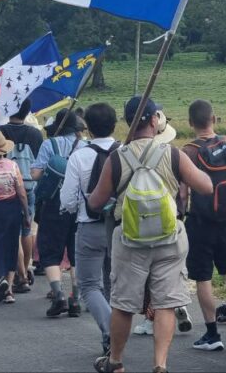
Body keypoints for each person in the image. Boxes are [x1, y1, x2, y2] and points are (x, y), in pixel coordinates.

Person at [87, 96, 213, 373]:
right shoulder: (172, 153)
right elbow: (206, 187)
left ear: (128, 123)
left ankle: (116, 362)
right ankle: (160, 364)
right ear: (155, 120)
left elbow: (95, 202)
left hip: (130, 239)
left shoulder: (116, 157)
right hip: (169, 238)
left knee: (122, 304)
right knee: (166, 303)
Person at [181, 100, 226, 351]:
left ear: (191, 123)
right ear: (214, 119)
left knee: (203, 277)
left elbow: (182, 193)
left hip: (201, 221)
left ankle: (212, 334)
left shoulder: (188, 151)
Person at [58, 102, 118, 355]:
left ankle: (111, 332)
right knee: (112, 283)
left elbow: (68, 200)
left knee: (90, 285)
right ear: (115, 124)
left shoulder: (79, 156)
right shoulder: (124, 152)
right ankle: (119, 331)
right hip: (121, 227)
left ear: (88, 129)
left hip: (90, 226)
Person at [33, 109, 86, 318]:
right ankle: (76, 298)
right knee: (75, 253)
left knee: (50, 250)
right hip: (80, 205)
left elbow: (35, 173)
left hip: (54, 204)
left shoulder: (49, 145)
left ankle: (58, 295)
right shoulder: (86, 146)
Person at [0, 99, 43, 293]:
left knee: (11, 233)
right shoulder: (35, 134)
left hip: (7, 187)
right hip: (30, 185)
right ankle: (26, 269)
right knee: (27, 230)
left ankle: (19, 274)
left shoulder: (0, 132)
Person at [0, 131, 29, 305]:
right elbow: (21, 193)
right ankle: (9, 289)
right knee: (11, 245)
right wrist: (27, 213)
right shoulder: (12, 166)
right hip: (12, 208)